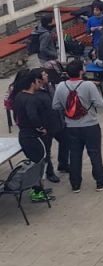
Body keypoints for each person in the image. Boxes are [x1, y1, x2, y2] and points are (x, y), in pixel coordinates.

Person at [52, 59, 103, 192]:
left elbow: (55, 105)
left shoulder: (61, 86)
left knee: (74, 154)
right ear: (81, 71)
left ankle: (75, 184)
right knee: (95, 153)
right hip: (90, 124)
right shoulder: (88, 85)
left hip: (71, 126)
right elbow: (100, 104)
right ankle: (101, 181)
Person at [12, 69, 56, 202]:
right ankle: (37, 192)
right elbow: (33, 116)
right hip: (32, 136)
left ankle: (39, 189)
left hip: (24, 135)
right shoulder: (31, 99)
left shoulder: (19, 96)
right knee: (39, 164)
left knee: (35, 163)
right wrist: (41, 128)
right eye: (38, 82)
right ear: (33, 83)